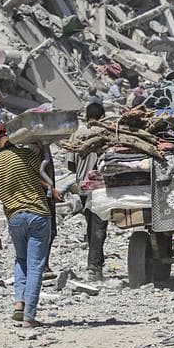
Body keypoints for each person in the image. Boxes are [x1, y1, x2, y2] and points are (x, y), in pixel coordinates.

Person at [0, 133, 56, 328]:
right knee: (35, 266)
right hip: (38, 215)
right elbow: (45, 176)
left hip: (15, 219)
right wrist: (42, 149)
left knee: (21, 260)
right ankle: (29, 317)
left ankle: (19, 303)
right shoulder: (25, 155)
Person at [71, 102, 109, 281]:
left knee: (91, 224)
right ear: (102, 117)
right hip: (98, 186)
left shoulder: (76, 134)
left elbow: (70, 164)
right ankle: (93, 267)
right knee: (99, 227)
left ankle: (96, 264)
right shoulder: (104, 133)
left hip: (81, 185)